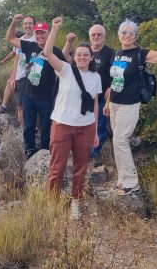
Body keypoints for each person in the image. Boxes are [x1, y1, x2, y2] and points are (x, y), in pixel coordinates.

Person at [104, 19, 157, 195]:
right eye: (124, 32)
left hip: (130, 104)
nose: (127, 35)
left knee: (120, 139)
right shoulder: (116, 53)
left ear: (136, 36)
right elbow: (114, 80)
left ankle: (131, 182)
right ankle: (122, 179)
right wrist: (108, 102)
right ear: (119, 35)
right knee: (117, 140)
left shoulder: (140, 53)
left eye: (131, 32)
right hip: (115, 102)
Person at [45, 17, 102, 219]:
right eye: (79, 54)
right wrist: (54, 29)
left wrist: (95, 130)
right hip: (62, 125)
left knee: (81, 167)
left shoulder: (96, 77)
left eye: (86, 55)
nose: (82, 57)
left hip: (85, 127)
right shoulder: (65, 70)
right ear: (74, 56)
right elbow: (48, 52)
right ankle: (51, 202)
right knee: (57, 166)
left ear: (91, 58)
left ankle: (75, 201)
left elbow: (95, 104)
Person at [6, 14, 65, 157]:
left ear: (48, 33)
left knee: (46, 128)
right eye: (37, 33)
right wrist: (14, 22)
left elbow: (66, 69)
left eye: (42, 33)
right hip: (28, 95)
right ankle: (30, 152)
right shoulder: (29, 46)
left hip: (46, 98)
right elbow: (10, 38)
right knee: (28, 126)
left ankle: (45, 153)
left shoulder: (55, 51)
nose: (39, 36)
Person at [63, 24, 114, 167]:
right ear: (90, 36)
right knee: (79, 124)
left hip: (100, 96)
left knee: (99, 125)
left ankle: (95, 153)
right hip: (79, 97)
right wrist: (69, 42)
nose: (96, 37)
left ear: (104, 36)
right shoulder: (83, 51)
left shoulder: (111, 53)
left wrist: (111, 87)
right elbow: (64, 58)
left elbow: (118, 73)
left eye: (99, 34)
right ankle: (79, 150)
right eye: (93, 34)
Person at [0, 16, 35, 125]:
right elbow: (16, 58)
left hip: (33, 77)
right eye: (25, 23)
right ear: (22, 25)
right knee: (20, 106)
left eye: (30, 23)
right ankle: (24, 131)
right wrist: (13, 77)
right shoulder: (20, 40)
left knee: (31, 105)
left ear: (34, 25)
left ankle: (32, 128)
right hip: (20, 77)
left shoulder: (37, 38)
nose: (27, 26)